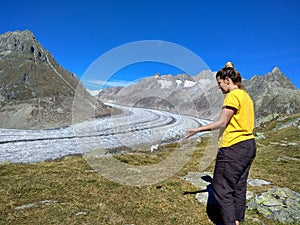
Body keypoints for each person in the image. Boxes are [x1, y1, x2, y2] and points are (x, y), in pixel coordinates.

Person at [183, 62, 256, 225]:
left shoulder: (232, 96)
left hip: (233, 147)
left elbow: (222, 122)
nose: (219, 87)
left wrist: (197, 130)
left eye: (219, 83)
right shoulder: (245, 96)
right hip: (249, 145)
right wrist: (229, 66)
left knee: (222, 188)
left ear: (227, 80)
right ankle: (237, 220)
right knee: (238, 186)